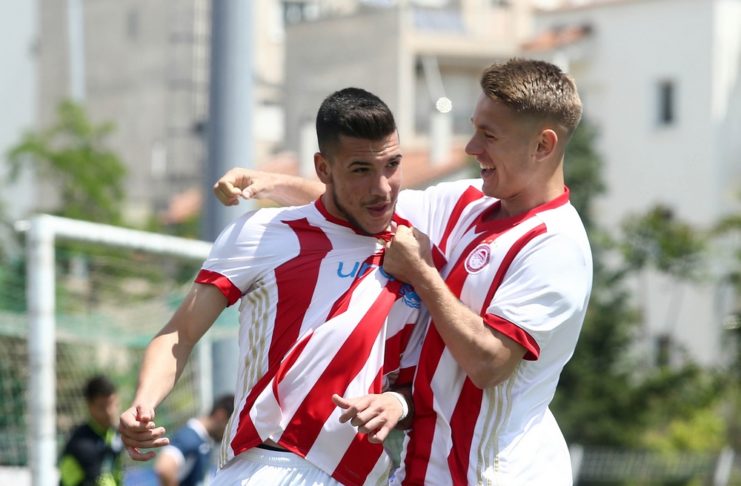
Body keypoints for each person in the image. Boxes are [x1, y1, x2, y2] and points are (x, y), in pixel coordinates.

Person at [213, 58, 593, 485]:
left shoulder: (555, 245)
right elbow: (362, 203)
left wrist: (422, 275)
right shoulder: (469, 202)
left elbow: (488, 364)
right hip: (422, 468)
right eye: (474, 130)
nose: (471, 148)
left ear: (542, 145)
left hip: (494, 474)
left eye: (489, 136)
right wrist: (266, 182)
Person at [119, 87, 423, 486]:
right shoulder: (262, 234)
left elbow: (432, 385)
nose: (382, 187)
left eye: (392, 165)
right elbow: (181, 332)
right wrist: (143, 402)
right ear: (323, 168)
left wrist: (398, 402)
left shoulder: (420, 244)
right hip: (267, 466)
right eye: (360, 170)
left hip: (366, 475)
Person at [154, 394, 234, 486]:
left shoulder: (201, 440)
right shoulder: (189, 437)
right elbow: (165, 468)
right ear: (221, 415)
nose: (230, 435)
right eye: (231, 427)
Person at [59, 375, 124, 486]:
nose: (109, 412)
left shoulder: (116, 433)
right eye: (102, 407)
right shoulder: (81, 443)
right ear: (89, 406)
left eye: (112, 404)